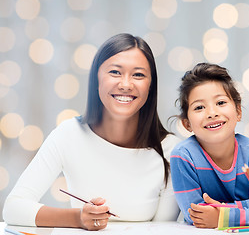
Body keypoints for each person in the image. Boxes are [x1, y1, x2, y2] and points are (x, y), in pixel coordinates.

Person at [3, 33, 180, 230]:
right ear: (96, 79)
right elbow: (13, 208)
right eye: (115, 72)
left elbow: (165, 229)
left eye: (138, 74)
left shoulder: (171, 150)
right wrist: (77, 218)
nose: (125, 84)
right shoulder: (68, 134)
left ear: (150, 85)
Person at [170, 63, 249, 228]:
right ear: (187, 124)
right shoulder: (184, 156)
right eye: (199, 107)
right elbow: (196, 215)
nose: (212, 113)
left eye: (220, 103)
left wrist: (223, 215)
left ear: (238, 111)